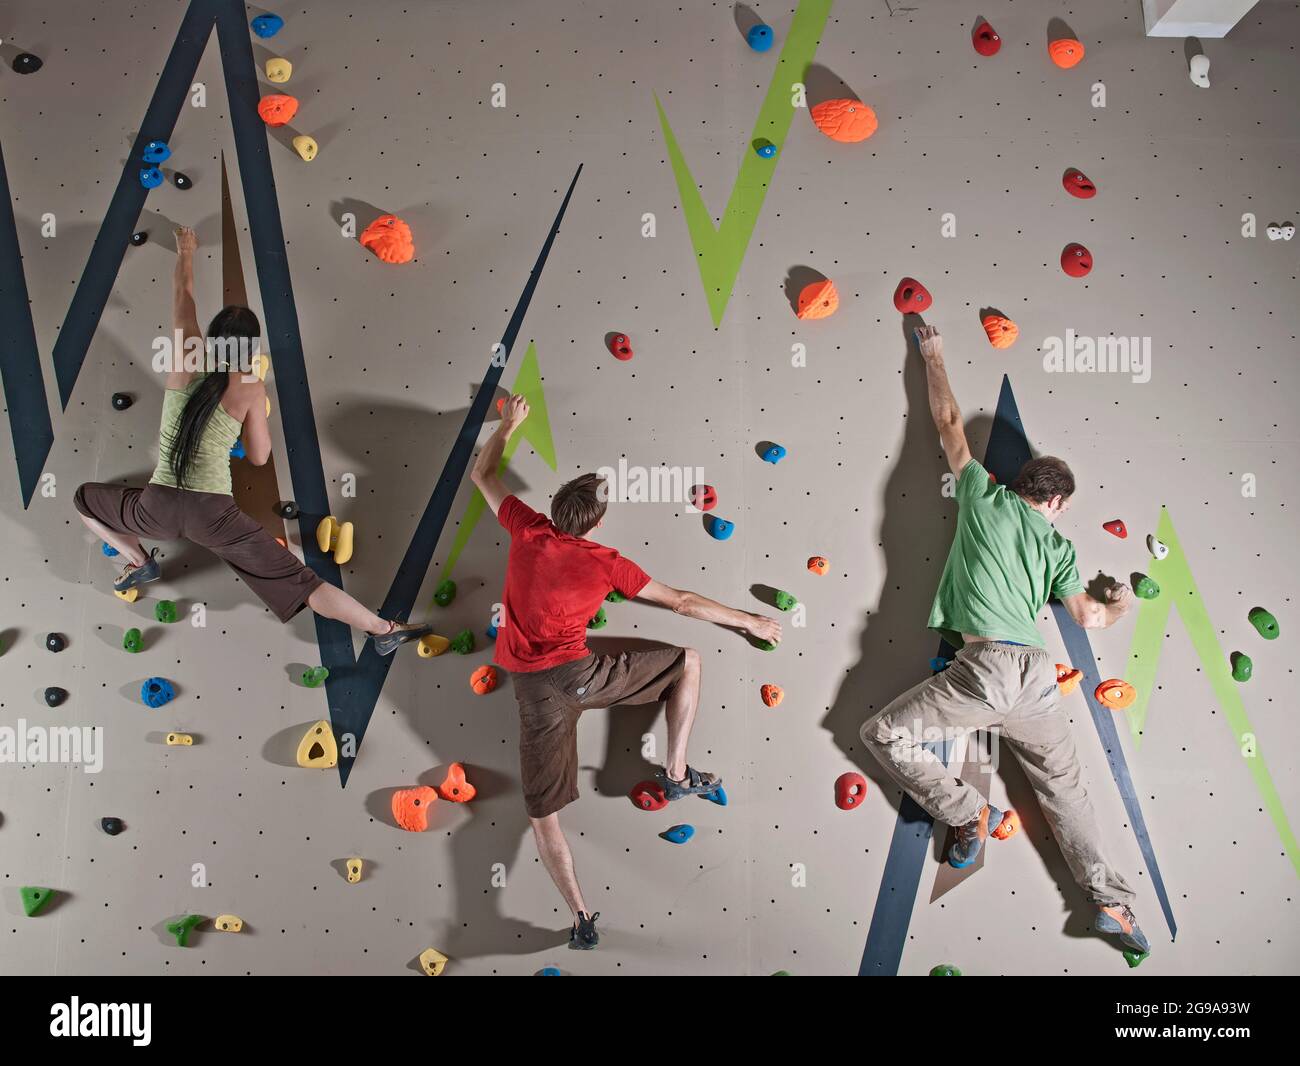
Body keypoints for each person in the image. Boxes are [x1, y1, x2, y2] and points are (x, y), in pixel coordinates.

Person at [860, 324, 1150, 957]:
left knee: (882, 734)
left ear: (1021, 486)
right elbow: (1092, 620)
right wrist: (1120, 602)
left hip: (986, 668)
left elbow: (946, 423)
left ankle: (966, 814)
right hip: (1038, 677)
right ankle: (1114, 907)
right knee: (1066, 794)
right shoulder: (1058, 544)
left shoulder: (982, 496)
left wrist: (933, 354)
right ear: (1056, 502)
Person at [471, 395, 783, 950]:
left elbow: (482, 472)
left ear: (553, 509)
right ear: (598, 522)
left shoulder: (525, 529)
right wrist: (749, 622)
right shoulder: (606, 563)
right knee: (689, 660)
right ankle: (677, 771)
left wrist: (509, 425)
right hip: (581, 675)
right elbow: (682, 602)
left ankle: (581, 919)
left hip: (533, 693)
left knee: (543, 818)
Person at [73, 226, 429, 654]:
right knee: (302, 582)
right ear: (250, 348)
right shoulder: (250, 386)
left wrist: (185, 251)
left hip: (158, 508)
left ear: (210, 335)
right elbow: (259, 458)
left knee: (84, 500)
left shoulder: (185, 358)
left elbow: (182, 301)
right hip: (214, 516)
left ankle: (139, 562)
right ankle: (382, 629)